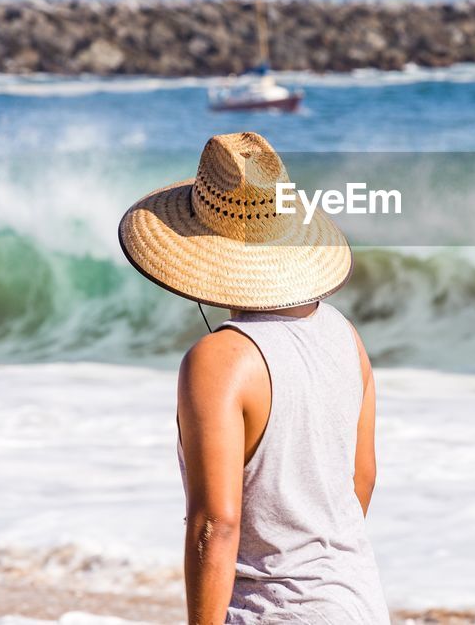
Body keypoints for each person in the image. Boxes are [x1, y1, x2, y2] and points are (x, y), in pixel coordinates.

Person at [117, 132, 388, 625]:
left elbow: (215, 525)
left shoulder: (220, 358)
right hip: (357, 602)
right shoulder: (345, 335)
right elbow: (361, 479)